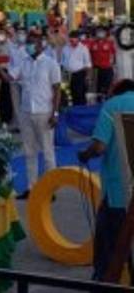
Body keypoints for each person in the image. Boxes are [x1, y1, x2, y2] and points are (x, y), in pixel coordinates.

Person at [77, 79, 134, 281]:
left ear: (114, 92)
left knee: (108, 251)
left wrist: (85, 154)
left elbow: (99, 146)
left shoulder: (112, 106)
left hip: (118, 195)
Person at [0, 33, 61, 198]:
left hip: (44, 112)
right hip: (27, 112)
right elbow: (10, 78)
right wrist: (0, 67)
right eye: (27, 43)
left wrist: (55, 113)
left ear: (41, 44)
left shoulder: (50, 64)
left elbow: (57, 89)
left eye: (32, 43)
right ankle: (31, 187)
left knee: (48, 152)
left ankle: (50, 188)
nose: (29, 46)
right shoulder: (23, 63)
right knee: (29, 152)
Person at [63, 30, 94, 107]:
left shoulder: (83, 49)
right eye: (71, 38)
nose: (72, 40)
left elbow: (88, 64)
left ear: (78, 39)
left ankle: (80, 111)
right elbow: (62, 62)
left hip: (79, 74)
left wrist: (88, 77)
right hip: (67, 74)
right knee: (68, 95)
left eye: (74, 38)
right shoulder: (65, 48)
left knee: (79, 95)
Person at [89, 26, 118, 101]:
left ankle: (108, 101)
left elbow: (115, 55)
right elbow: (88, 56)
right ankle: (98, 102)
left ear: (105, 33)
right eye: (99, 32)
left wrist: (113, 65)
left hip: (107, 69)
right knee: (97, 88)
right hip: (96, 69)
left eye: (102, 32)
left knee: (108, 88)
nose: (100, 34)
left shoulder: (110, 43)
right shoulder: (92, 43)